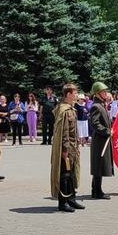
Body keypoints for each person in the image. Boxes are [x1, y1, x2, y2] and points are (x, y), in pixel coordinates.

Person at [51, 83, 84, 213]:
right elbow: (64, 132)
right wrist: (64, 150)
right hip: (66, 148)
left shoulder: (71, 109)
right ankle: (63, 202)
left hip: (73, 147)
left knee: (71, 174)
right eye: (75, 93)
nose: (76, 95)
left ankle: (71, 198)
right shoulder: (63, 110)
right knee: (64, 174)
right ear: (68, 94)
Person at [88, 82, 114, 199]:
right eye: (103, 91)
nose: (106, 93)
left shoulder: (102, 105)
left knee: (100, 165)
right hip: (99, 140)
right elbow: (94, 123)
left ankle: (96, 190)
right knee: (98, 166)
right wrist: (107, 131)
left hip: (103, 139)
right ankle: (97, 191)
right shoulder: (96, 106)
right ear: (98, 94)